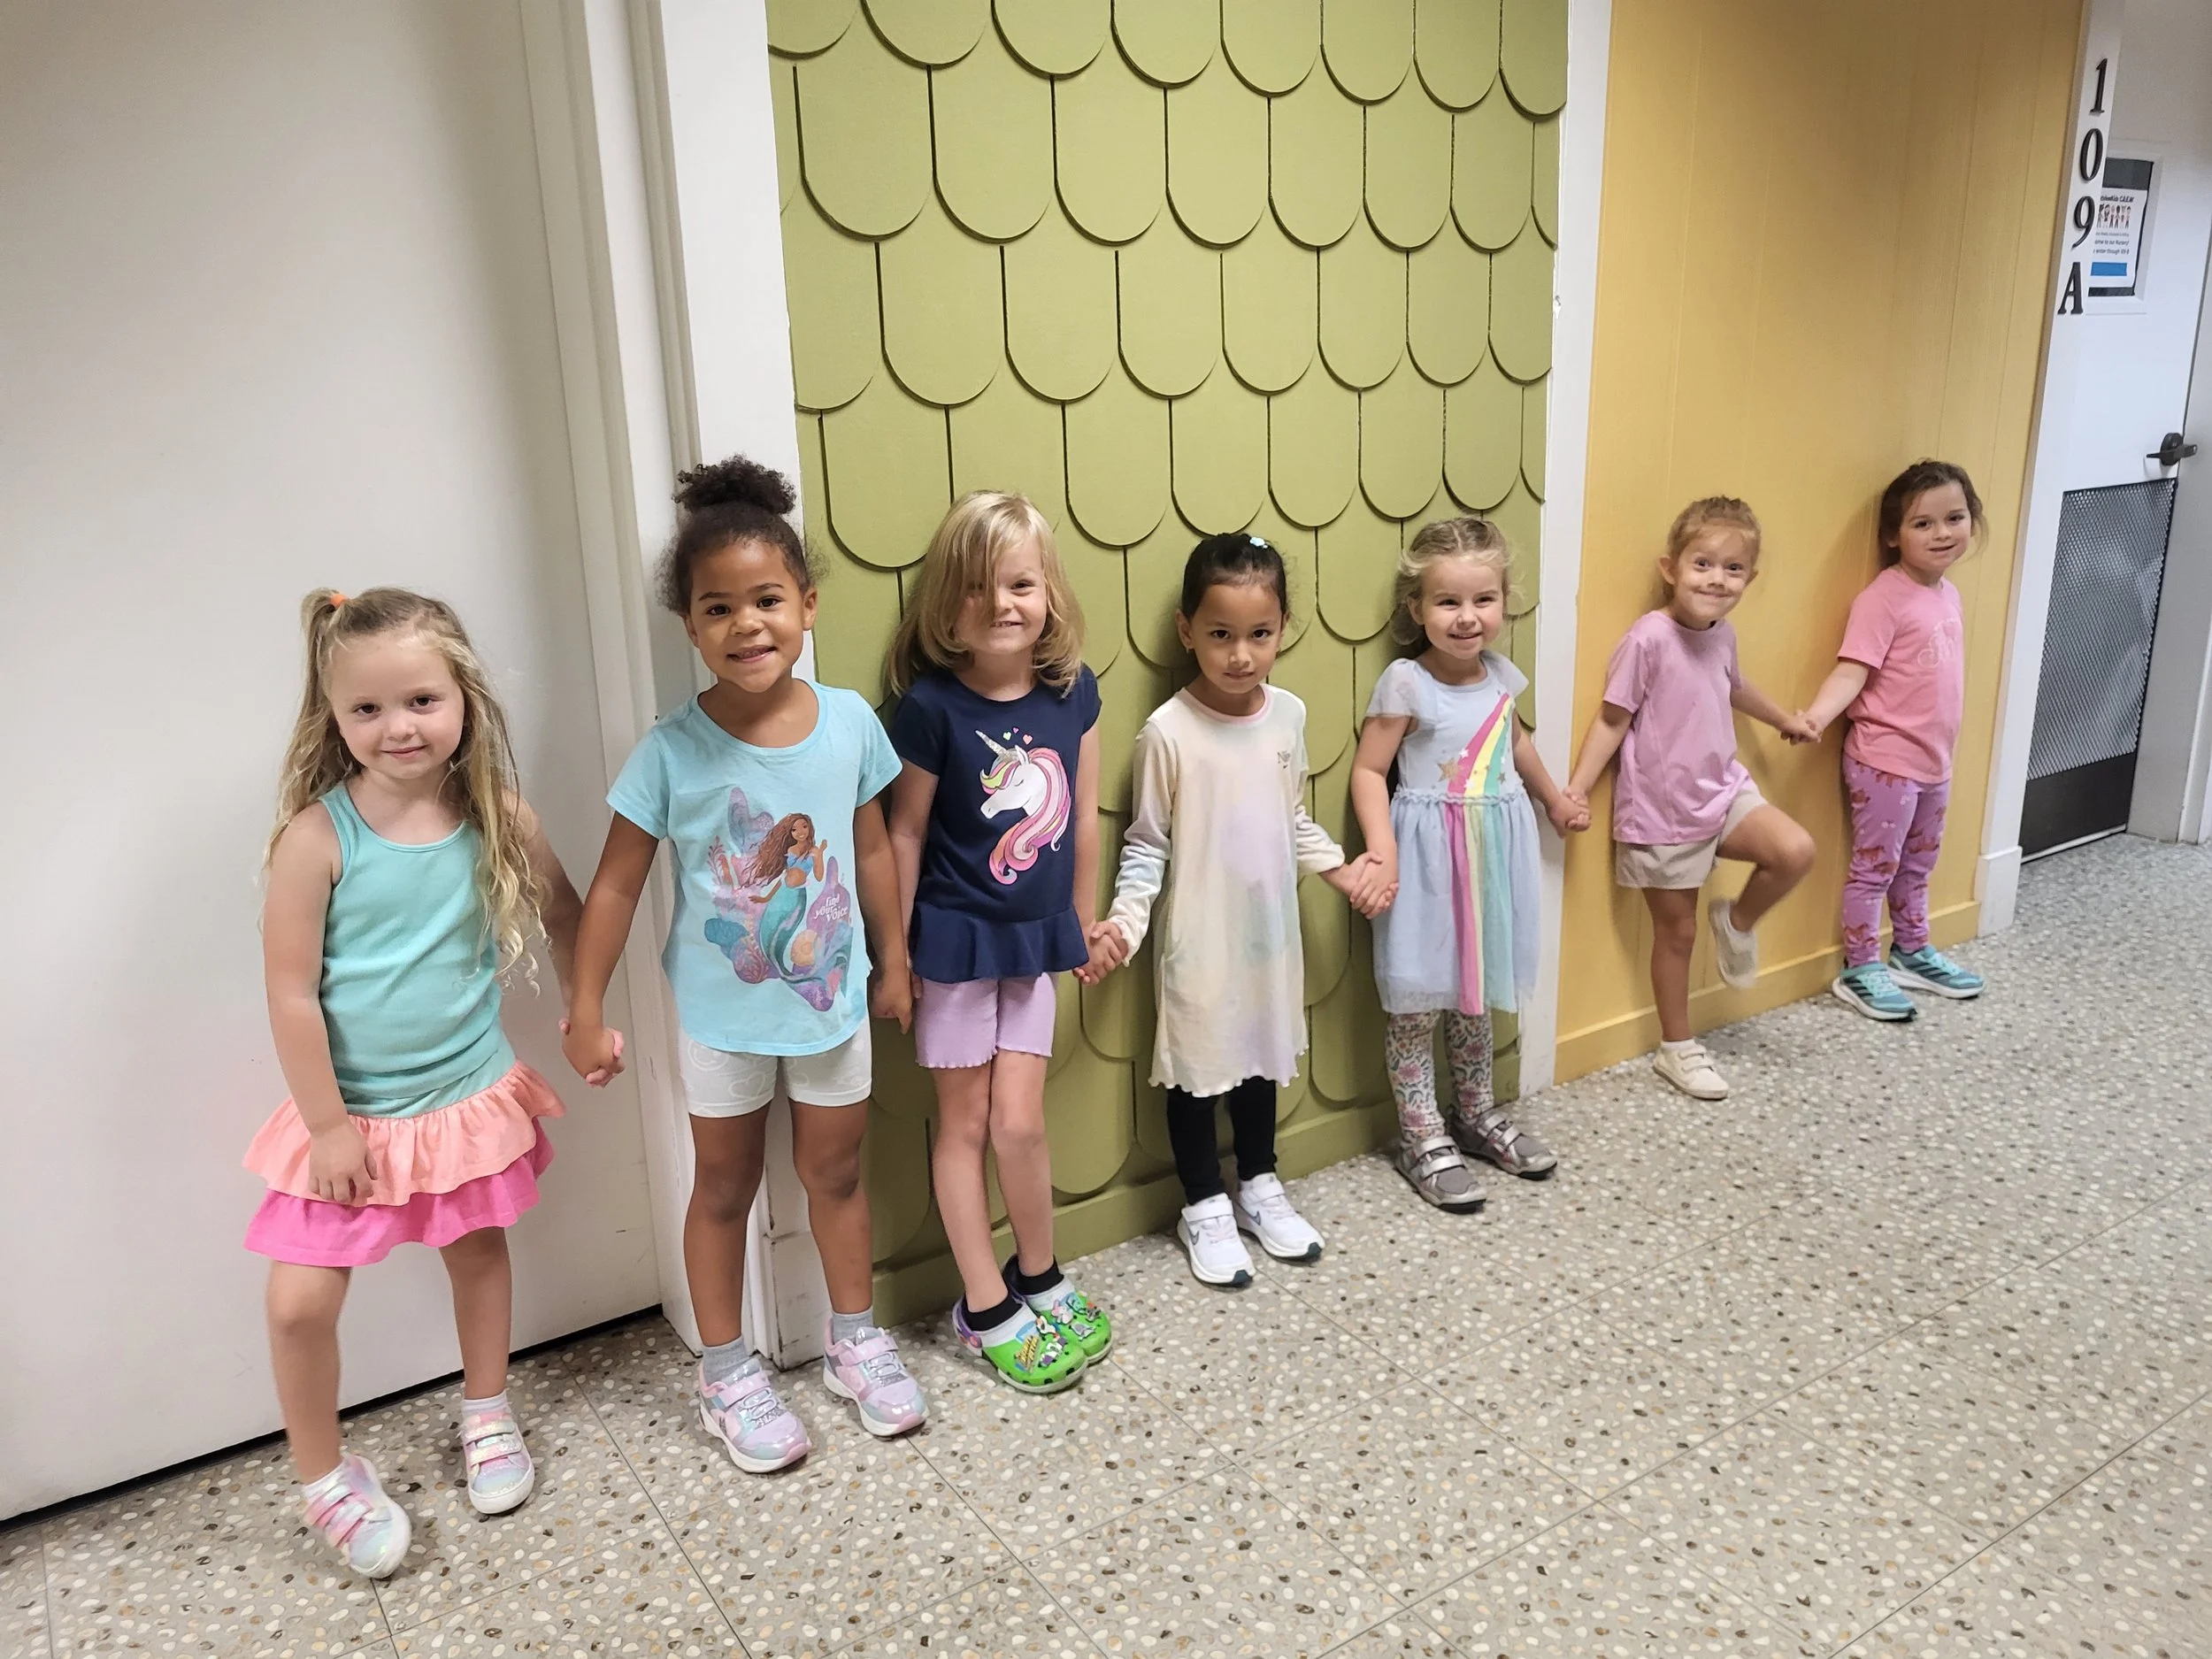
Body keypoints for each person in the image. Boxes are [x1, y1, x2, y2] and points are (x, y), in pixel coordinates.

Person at [562, 457, 924, 1474]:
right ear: (689, 625)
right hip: (721, 1019)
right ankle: (725, 1372)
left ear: (806, 604)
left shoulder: (851, 723)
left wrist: (893, 963)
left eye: (767, 599)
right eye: (717, 608)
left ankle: (854, 1338)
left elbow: (873, 852)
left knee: (835, 1173)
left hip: (834, 1004)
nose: (747, 624)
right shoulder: (669, 753)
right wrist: (584, 1006)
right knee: (722, 1189)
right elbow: (618, 889)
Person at [245, 588, 588, 1576]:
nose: (397, 727)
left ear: (464, 698)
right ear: (334, 718)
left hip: (462, 1103)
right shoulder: (316, 839)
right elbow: (290, 994)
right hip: (349, 1119)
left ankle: (487, 1410)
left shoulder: (498, 818)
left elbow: (567, 914)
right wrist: (328, 1125)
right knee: (298, 1306)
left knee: (478, 1256)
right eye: (367, 709)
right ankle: (325, 1481)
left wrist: (586, 1008)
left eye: (421, 701)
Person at [1089, 534, 1390, 1287]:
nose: (1240, 654)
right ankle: (1203, 1203)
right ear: (1188, 629)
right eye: (1220, 635)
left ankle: (1259, 1181)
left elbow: (1292, 820)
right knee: (1198, 1070)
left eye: (1259, 634)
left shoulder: (1287, 715)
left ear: (1283, 625)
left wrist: (1343, 872)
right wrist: (1125, 926)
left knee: (1259, 1058)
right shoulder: (1169, 731)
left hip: (1267, 938)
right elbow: (1147, 843)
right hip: (1198, 937)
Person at [884, 491, 1114, 1392]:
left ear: (1049, 592)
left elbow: (1085, 814)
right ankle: (982, 1307)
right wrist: (896, 959)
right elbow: (903, 834)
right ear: (949, 607)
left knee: (1021, 1123)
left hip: (1036, 942)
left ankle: (1039, 1273)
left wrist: (1085, 919)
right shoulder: (929, 710)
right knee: (967, 1125)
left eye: (1021, 583)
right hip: (950, 946)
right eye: (979, 589)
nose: (1003, 605)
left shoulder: (1074, 693)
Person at [1349, 518, 1577, 1210]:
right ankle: (1423, 1132)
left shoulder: (1503, 678)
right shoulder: (1406, 683)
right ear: (1417, 609)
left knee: (1473, 993)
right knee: (1419, 1002)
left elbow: (1519, 744)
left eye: (1483, 600)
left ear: (1503, 601)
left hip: (1491, 865)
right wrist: (1381, 851)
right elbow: (1367, 770)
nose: (1466, 617)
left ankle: (1475, 1115)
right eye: (1447, 602)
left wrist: (1554, 799)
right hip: (1425, 863)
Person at [1563, 496, 1818, 1102]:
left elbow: (1735, 686)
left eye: (1733, 569)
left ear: (1749, 580)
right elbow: (1611, 719)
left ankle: (1737, 919)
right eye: (1703, 563)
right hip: (1661, 812)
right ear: (1670, 567)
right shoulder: (1648, 638)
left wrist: (1788, 718)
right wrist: (1575, 788)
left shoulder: (1722, 634)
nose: (1717, 579)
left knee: (1795, 850)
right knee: (1675, 935)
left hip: (1723, 790)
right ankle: (1677, 1048)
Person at [1802, 460, 1988, 1019]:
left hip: (1935, 763)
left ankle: (1910, 949)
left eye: (1955, 518)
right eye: (1923, 524)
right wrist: (1815, 717)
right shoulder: (1883, 599)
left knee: (1918, 865)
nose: (1942, 534)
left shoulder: (1946, 594)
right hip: (1885, 761)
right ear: (1892, 536)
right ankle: (1861, 966)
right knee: (1874, 867)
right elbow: (1851, 671)